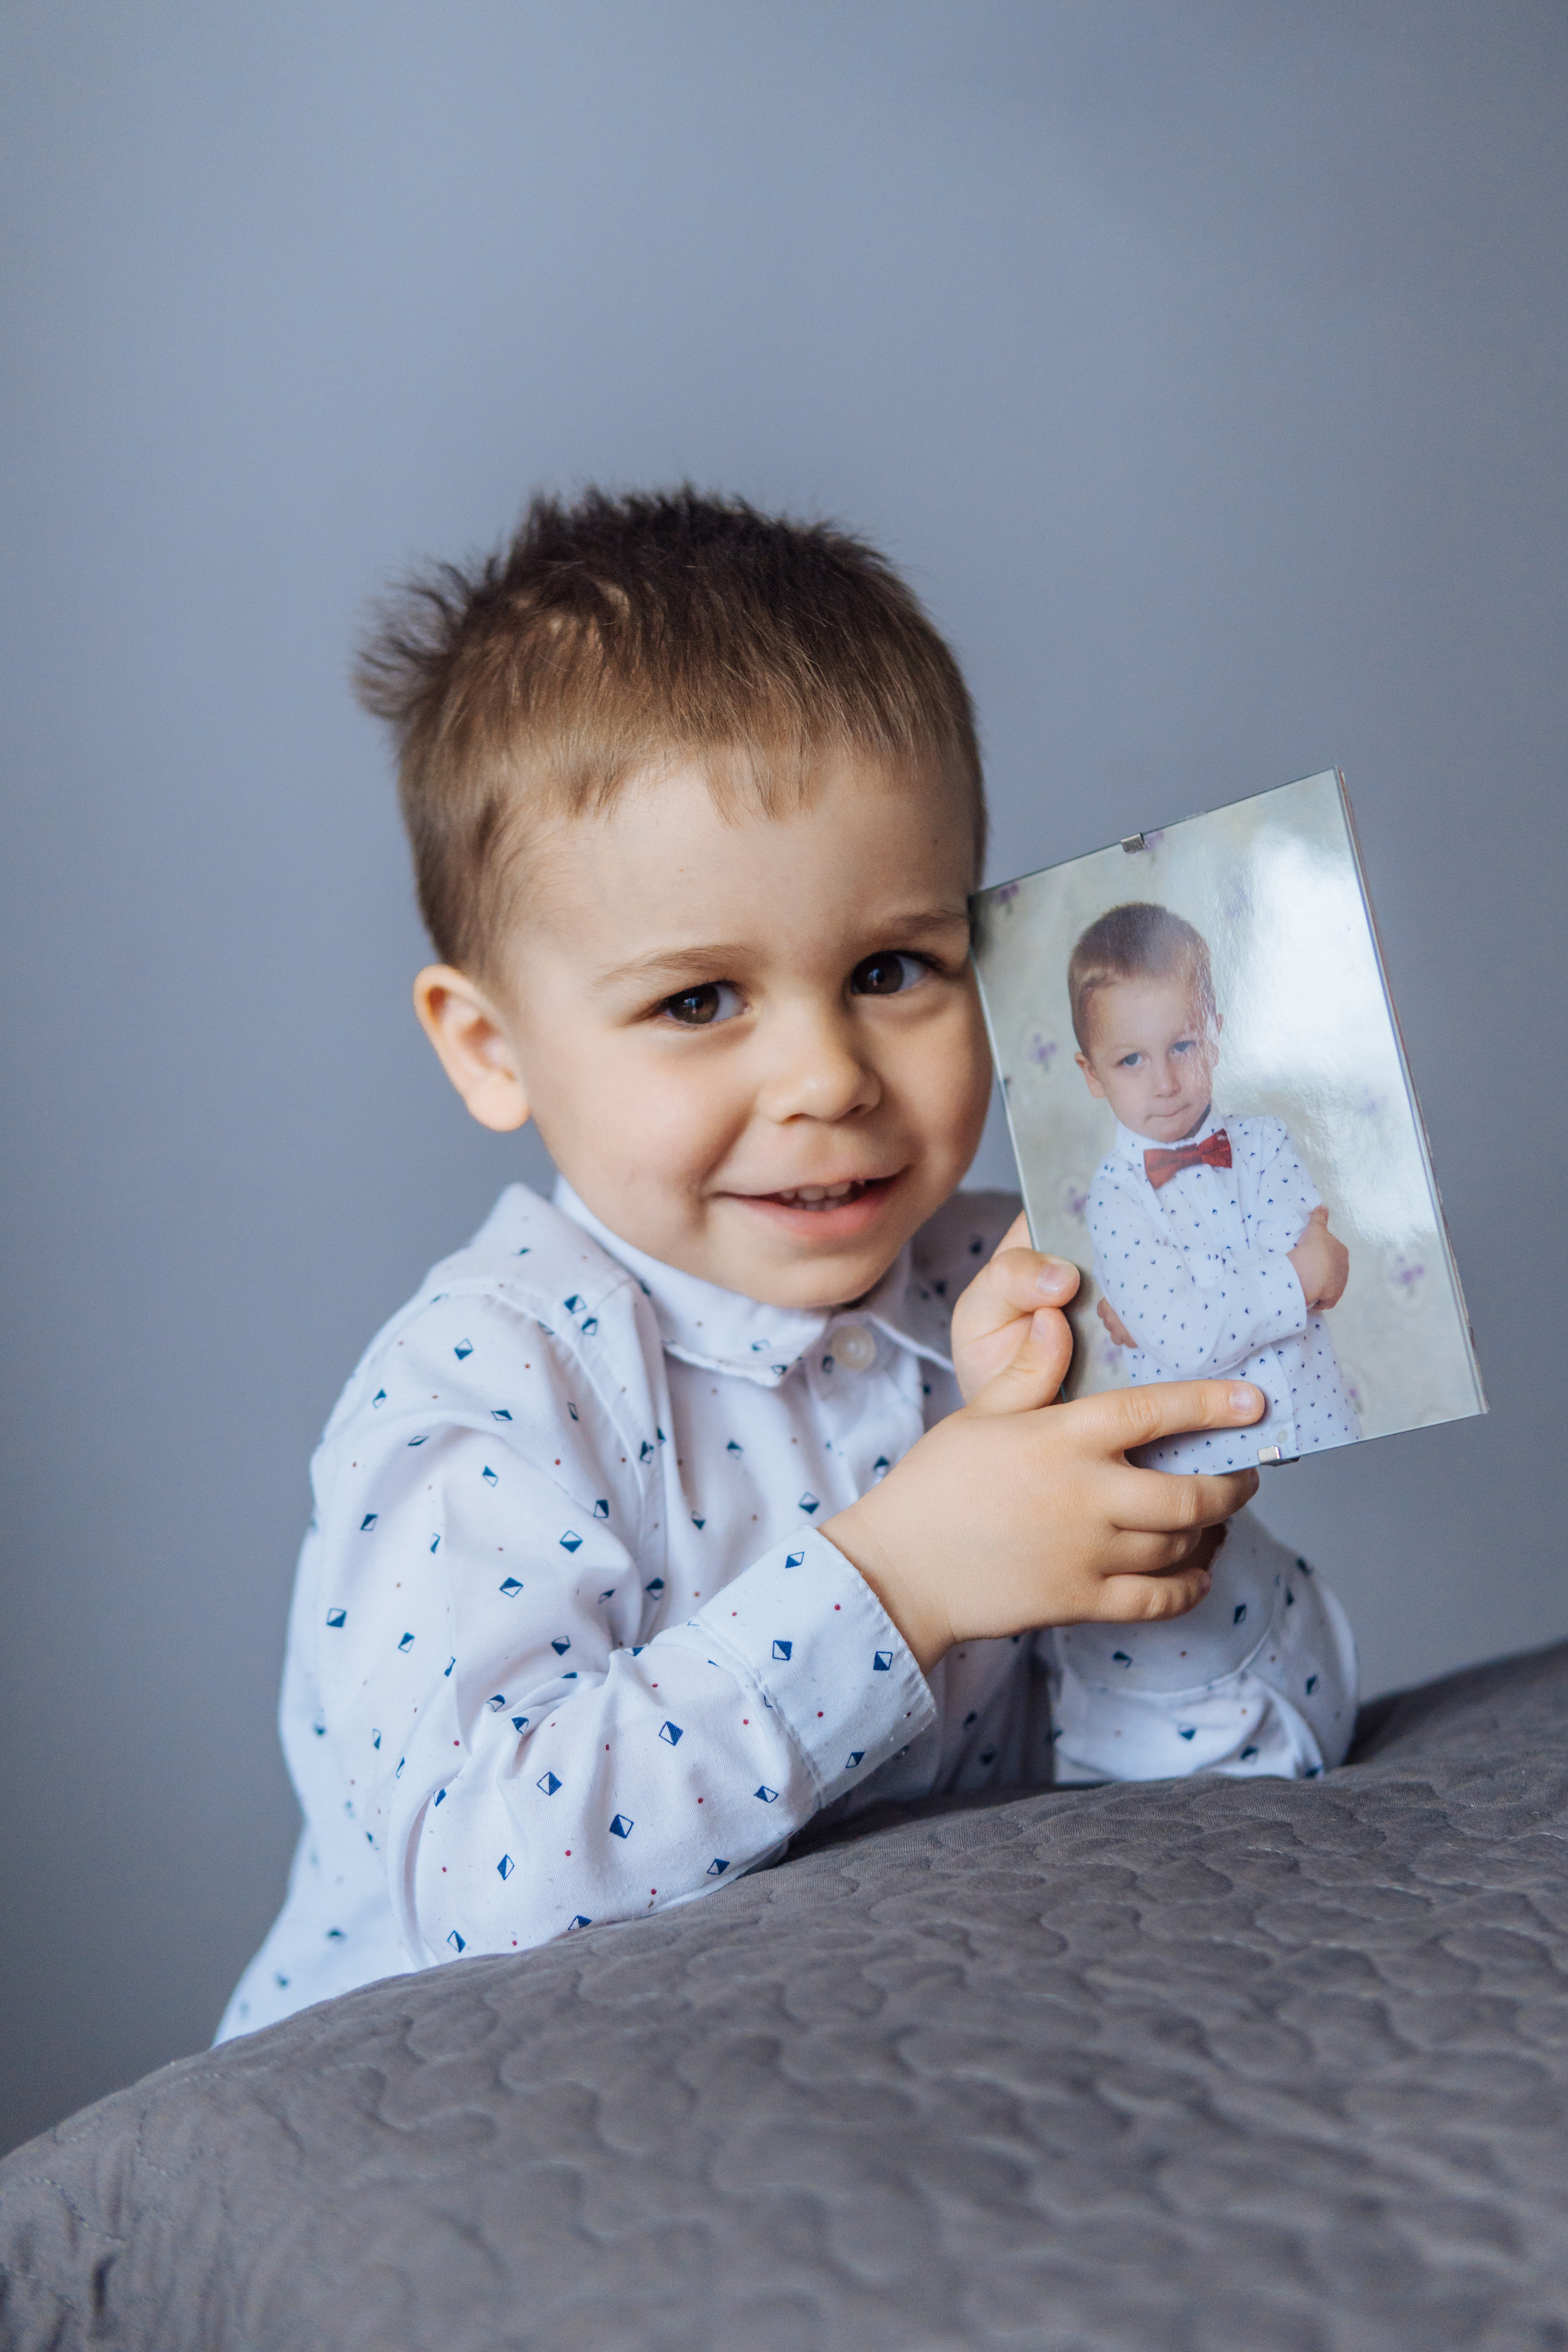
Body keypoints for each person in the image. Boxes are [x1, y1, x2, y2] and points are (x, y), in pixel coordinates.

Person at [218, 492, 1356, 2040]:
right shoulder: (492, 1384)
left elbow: (1254, 1767)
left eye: (890, 969)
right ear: (490, 1046)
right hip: (444, 2115)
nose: (826, 1072)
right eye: (697, 1001)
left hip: (866, 2058)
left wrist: (1134, 1523)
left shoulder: (1022, 1285)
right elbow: (487, 1891)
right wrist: (903, 1575)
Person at [1071, 901, 1362, 1473]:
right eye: (1131, 1059)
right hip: (1202, 1466)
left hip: (1324, 1423)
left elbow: (1187, 1325)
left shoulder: (1269, 1141)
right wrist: (1297, 1275)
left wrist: (1161, 1316)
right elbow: (1189, 1339)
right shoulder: (1114, 1197)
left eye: (1183, 1046)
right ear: (1092, 1074)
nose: (1165, 1082)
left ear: (1215, 1036)